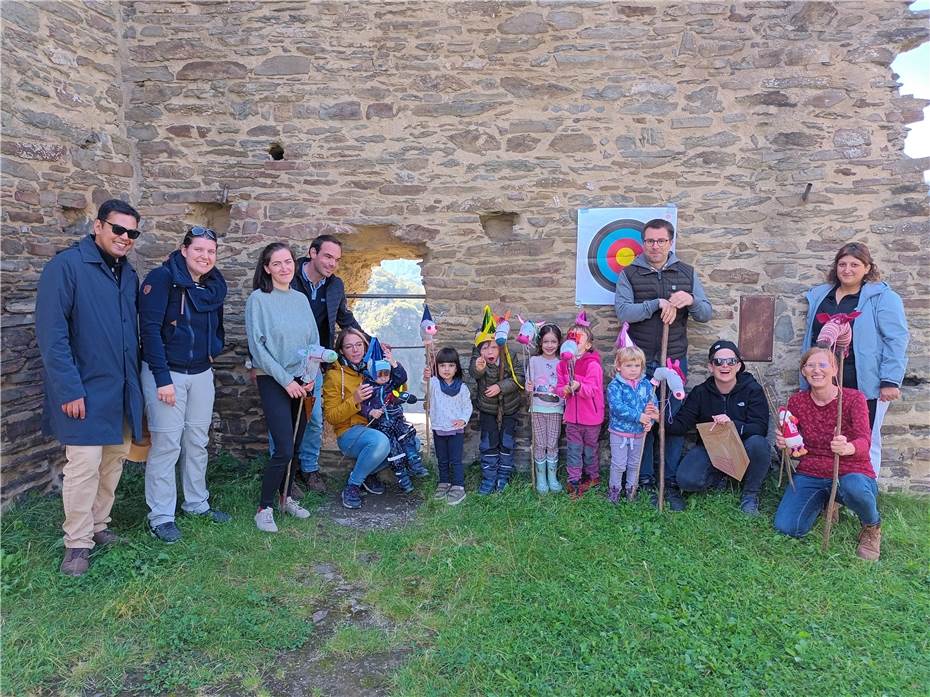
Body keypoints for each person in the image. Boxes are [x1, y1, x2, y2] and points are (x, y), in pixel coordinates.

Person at [35, 199, 145, 576]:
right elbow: (52, 337)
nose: (125, 238)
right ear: (97, 226)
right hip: (84, 390)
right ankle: (76, 544)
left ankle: (99, 526)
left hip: (121, 390)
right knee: (83, 467)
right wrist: (68, 390)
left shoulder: (127, 274)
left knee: (113, 462)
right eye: (118, 229)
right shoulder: (66, 268)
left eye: (132, 233)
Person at [614, 218, 713, 510]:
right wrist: (656, 303)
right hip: (639, 363)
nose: (654, 246)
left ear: (670, 242)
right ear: (642, 243)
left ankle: (668, 481)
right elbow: (623, 310)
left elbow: (706, 313)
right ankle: (643, 479)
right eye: (649, 241)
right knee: (642, 417)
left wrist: (689, 299)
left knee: (671, 420)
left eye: (660, 241)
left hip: (674, 360)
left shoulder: (686, 272)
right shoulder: (629, 274)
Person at [139, 226, 230, 543]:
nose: (206, 257)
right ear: (184, 250)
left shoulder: (213, 285)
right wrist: (162, 379)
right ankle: (161, 516)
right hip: (166, 374)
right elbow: (149, 331)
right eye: (199, 250)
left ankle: (196, 504)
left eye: (211, 252)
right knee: (166, 445)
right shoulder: (162, 279)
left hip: (201, 373)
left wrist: (212, 351)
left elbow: (216, 327)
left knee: (197, 441)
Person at [270, 234, 365, 496]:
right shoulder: (289, 278)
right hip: (285, 363)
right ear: (312, 253)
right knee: (283, 420)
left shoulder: (335, 286)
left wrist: (370, 342)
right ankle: (282, 476)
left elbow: (346, 319)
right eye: (327, 256)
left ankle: (308, 470)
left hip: (316, 364)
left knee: (313, 420)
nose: (332, 263)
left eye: (337, 259)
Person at [802, 242, 908, 476]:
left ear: (867, 267)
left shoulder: (882, 297)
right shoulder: (822, 296)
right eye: (842, 264)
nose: (847, 269)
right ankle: (832, 491)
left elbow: (896, 339)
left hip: (865, 383)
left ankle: (864, 491)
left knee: (865, 437)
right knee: (828, 435)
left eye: (854, 264)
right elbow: (811, 338)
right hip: (826, 381)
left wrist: (890, 380)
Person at [774, 347, 881, 560]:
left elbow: (864, 441)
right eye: (810, 365)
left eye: (823, 364)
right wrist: (785, 444)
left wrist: (848, 447)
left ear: (835, 369)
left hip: (850, 470)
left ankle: (871, 526)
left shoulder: (853, 398)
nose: (816, 370)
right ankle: (826, 503)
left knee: (855, 489)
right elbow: (796, 447)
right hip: (811, 472)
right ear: (803, 371)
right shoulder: (797, 401)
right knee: (787, 527)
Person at [245, 243, 315, 532]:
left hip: (301, 379)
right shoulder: (258, 300)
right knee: (283, 447)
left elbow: (312, 341)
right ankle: (264, 507)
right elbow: (258, 349)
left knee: (296, 445)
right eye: (277, 263)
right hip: (273, 379)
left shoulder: (300, 299)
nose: (285, 268)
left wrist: (310, 374)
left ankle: (286, 498)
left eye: (288, 262)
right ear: (266, 268)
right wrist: (285, 381)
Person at [667, 340, 770, 516]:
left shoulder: (752, 389)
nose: (725, 366)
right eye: (718, 362)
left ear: (738, 366)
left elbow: (760, 428)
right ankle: (721, 478)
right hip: (711, 449)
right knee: (686, 480)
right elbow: (680, 425)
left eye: (731, 361)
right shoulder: (701, 392)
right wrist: (657, 419)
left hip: (743, 449)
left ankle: (750, 495)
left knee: (759, 444)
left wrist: (733, 425)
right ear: (710, 366)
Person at [323, 328, 393, 509]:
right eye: (349, 346)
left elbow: (395, 392)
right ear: (341, 351)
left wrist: (393, 367)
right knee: (380, 442)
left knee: (413, 445)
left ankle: (367, 472)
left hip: (377, 427)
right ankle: (352, 485)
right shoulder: (334, 376)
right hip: (349, 434)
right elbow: (331, 417)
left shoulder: (372, 367)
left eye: (359, 345)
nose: (355, 350)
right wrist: (354, 400)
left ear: (365, 346)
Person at [469, 321, 525, 495]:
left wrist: (501, 387)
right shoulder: (478, 360)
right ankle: (489, 479)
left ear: (500, 346)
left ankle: (503, 478)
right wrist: (480, 369)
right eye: (484, 348)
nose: (489, 352)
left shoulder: (510, 357)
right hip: (488, 409)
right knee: (488, 444)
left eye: (493, 347)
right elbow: (474, 372)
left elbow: (519, 377)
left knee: (507, 443)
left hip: (509, 408)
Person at [359, 345, 424, 494]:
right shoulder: (368, 387)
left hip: (397, 420)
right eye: (379, 374)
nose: (383, 377)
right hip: (382, 425)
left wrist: (394, 363)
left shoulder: (392, 384)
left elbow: (402, 377)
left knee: (407, 435)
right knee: (394, 450)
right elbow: (361, 406)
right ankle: (403, 479)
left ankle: (415, 463)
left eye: (386, 373)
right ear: (372, 373)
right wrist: (371, 411)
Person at [557, 316, 605, 499]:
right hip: (572, 418)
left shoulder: (593, 364)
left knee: (590, 450)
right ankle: (574, 480)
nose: (574, 339)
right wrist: (565, 390)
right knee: (574, 450)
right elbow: (559, 386)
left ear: (588, 345)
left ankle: (593, 476)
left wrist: (579, 386)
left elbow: (593, 389)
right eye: (571, 336)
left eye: (579, 337)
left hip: (591, 418)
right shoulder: (564, 364)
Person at [606, 344, 656, 503]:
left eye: (637, 365)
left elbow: (652, 406)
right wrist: (638, 416)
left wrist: (651, 421)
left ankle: (631, 492)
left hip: (639, 433)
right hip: (619, 433)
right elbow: (617, 408)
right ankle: (614, 492)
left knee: (635, 464)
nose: (633, 369)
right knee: (619, 465)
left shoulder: (647, 385)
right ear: (619, 366)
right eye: (628, 365)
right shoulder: (615, 386)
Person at [426, 347, 473, 506]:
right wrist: (425, 378)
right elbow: (422, 387)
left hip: (455, 430)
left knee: (455, 459)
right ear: (436, 367)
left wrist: (463, 420)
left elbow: (467, 407)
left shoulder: (462, 388)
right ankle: (444, 482)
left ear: (457, 368)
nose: (446, 369)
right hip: (439, 427)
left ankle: (458, 486)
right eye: (442, 366)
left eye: (451, 365)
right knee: (442, 458)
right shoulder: (433, 384)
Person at [526, 324, 565, 494]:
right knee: (540, 443)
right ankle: (541, 478)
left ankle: (552, 477)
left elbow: (565, 386)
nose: (550, 345)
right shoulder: (534, 361)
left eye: (553, 342)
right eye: (546, 341)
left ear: (559, 343)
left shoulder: (563, 362)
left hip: (556, 408)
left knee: (552, 443)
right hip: (538, 408)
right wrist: (528, 386)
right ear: (540, 342)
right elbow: (529, 383)